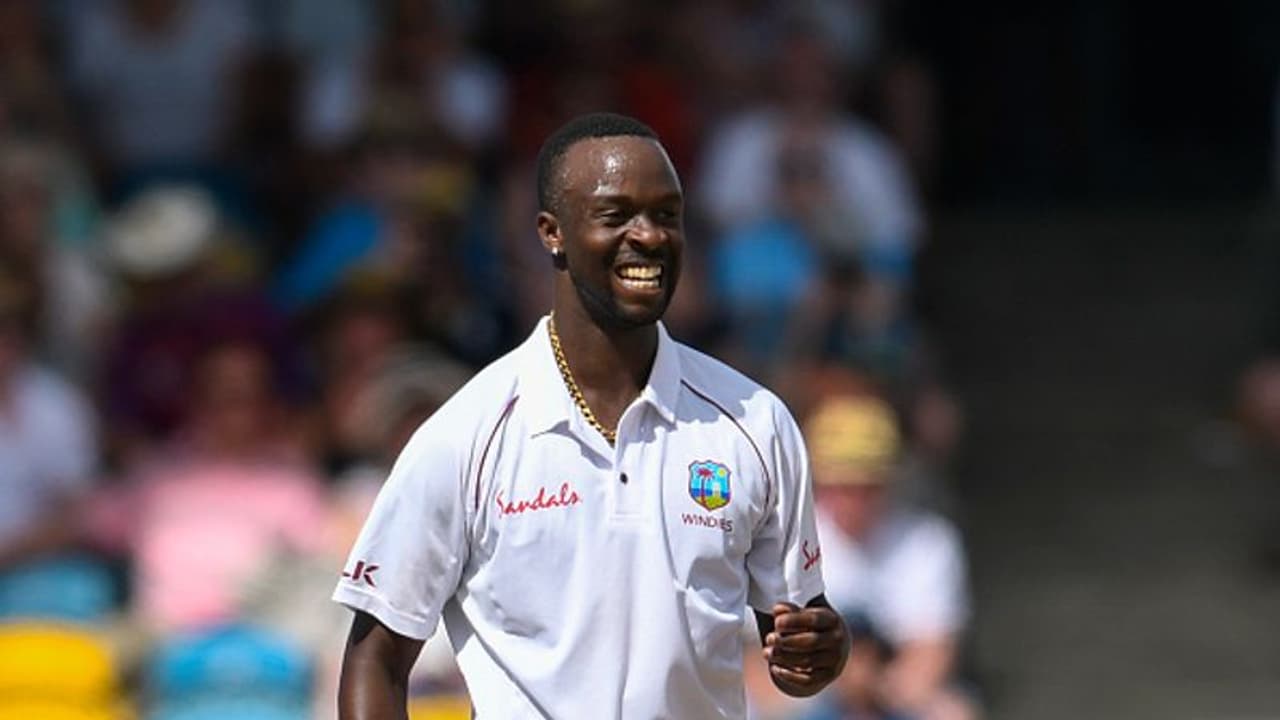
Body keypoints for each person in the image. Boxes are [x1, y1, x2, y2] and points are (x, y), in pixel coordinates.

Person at [334, 112, 849, 719]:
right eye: (616, 215)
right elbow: (376, 658)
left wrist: (821, 651)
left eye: (667, 215)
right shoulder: (466, 434)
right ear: (552, 232)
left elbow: (797, 643)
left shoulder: (755, 423)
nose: (649, 235)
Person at [800, 392, 976, 720]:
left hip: (891, 698)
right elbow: (759, 661)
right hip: (807, 698)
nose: (853, 501)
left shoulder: (927, 541)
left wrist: (866, 689)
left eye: (867, 487)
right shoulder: (789, 541)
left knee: (954, 712)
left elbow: (930, 657)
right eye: (841, 485)